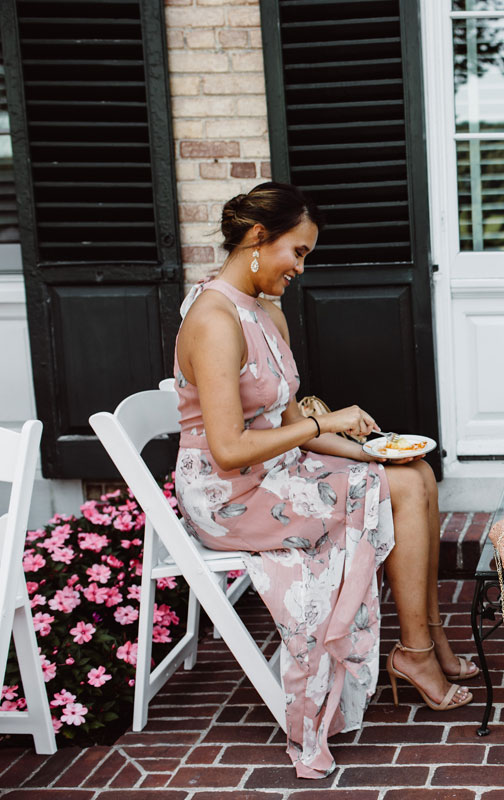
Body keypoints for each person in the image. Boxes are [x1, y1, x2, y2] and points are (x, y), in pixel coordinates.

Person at [172, 182, 474, 779]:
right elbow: (230, 450)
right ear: (259, 239)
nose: (301, 269)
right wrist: (327, 421)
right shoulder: (214, 319)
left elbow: (289, 424)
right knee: (398, 487)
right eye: (298, 252)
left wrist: (367, 452)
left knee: (411, 472)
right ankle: (416, 653)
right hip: (229, 495)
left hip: (273, 471)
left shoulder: (264, 309)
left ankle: (424, 641)